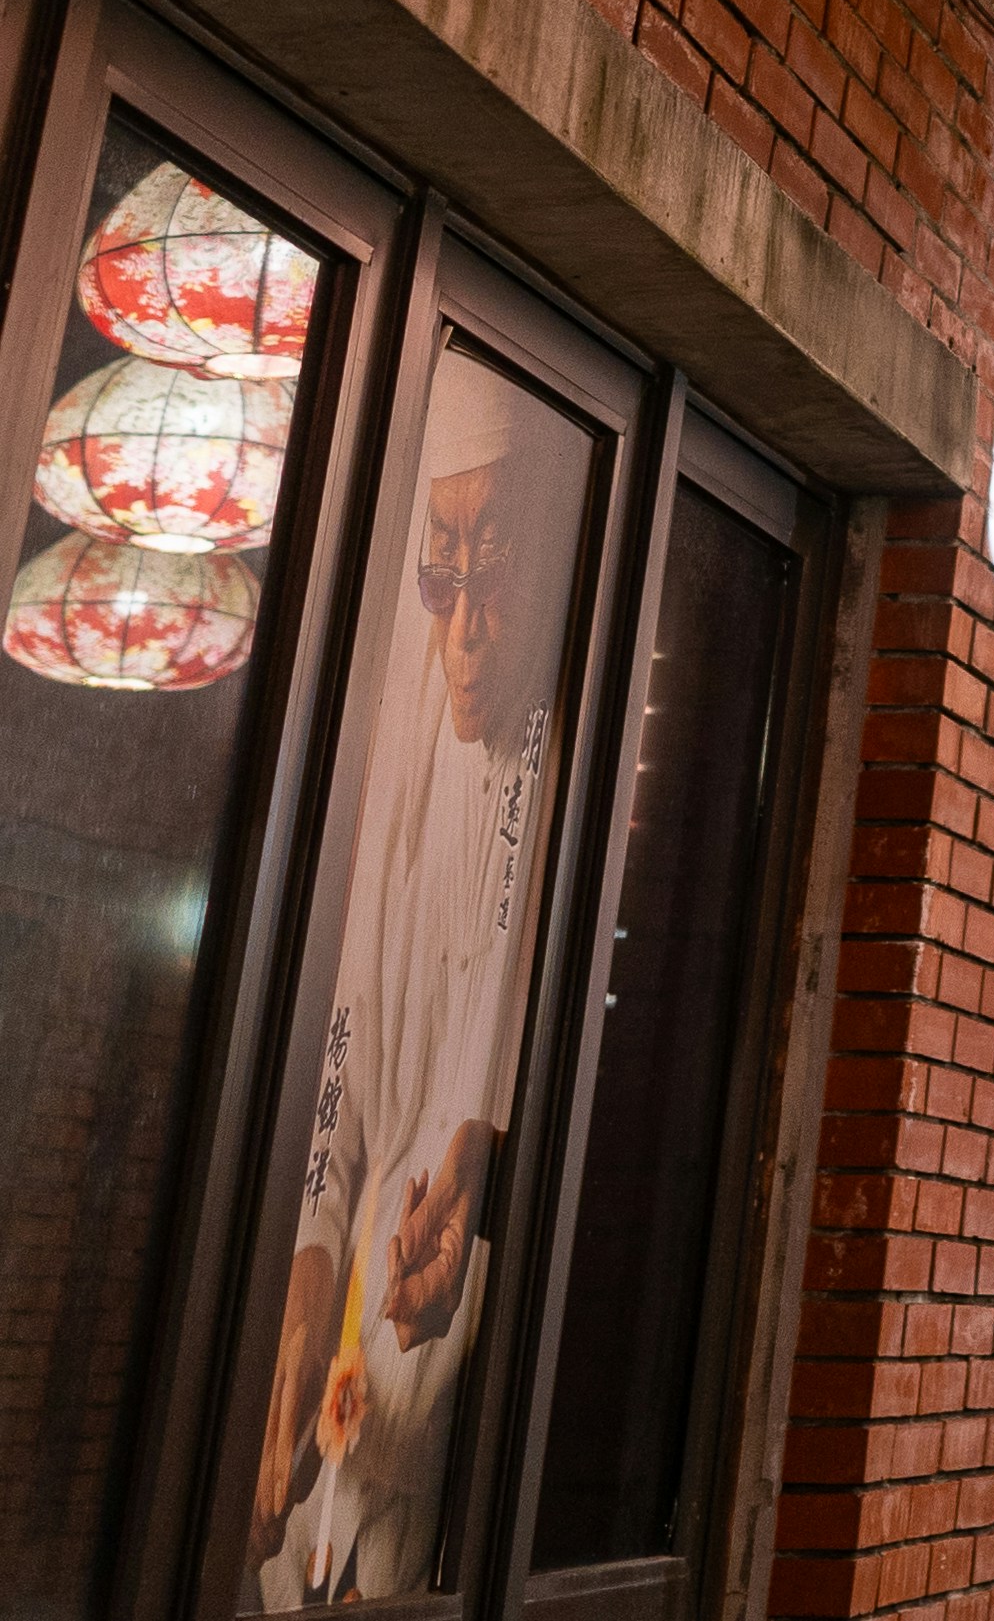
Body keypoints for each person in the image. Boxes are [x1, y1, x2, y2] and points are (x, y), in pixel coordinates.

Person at [248, 351, 586, 1606]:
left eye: (488, 568)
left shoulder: (556, 753)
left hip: (433, 1413)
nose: (461, 629)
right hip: (343, 1364)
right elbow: (342, 1066)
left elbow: (488, 1090)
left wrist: (475, 1165)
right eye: (438, 573)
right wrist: (298, 1309)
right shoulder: (395, 742)